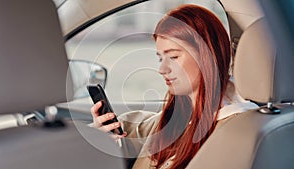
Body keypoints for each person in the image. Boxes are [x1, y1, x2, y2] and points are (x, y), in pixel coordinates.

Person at [90, 4, 255, 169]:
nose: (162, 70)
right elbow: (138, 132)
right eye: (160, 58)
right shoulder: (181, 114)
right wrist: (104, 136)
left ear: (208, 55)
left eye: (174, 57)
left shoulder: (230, 132)